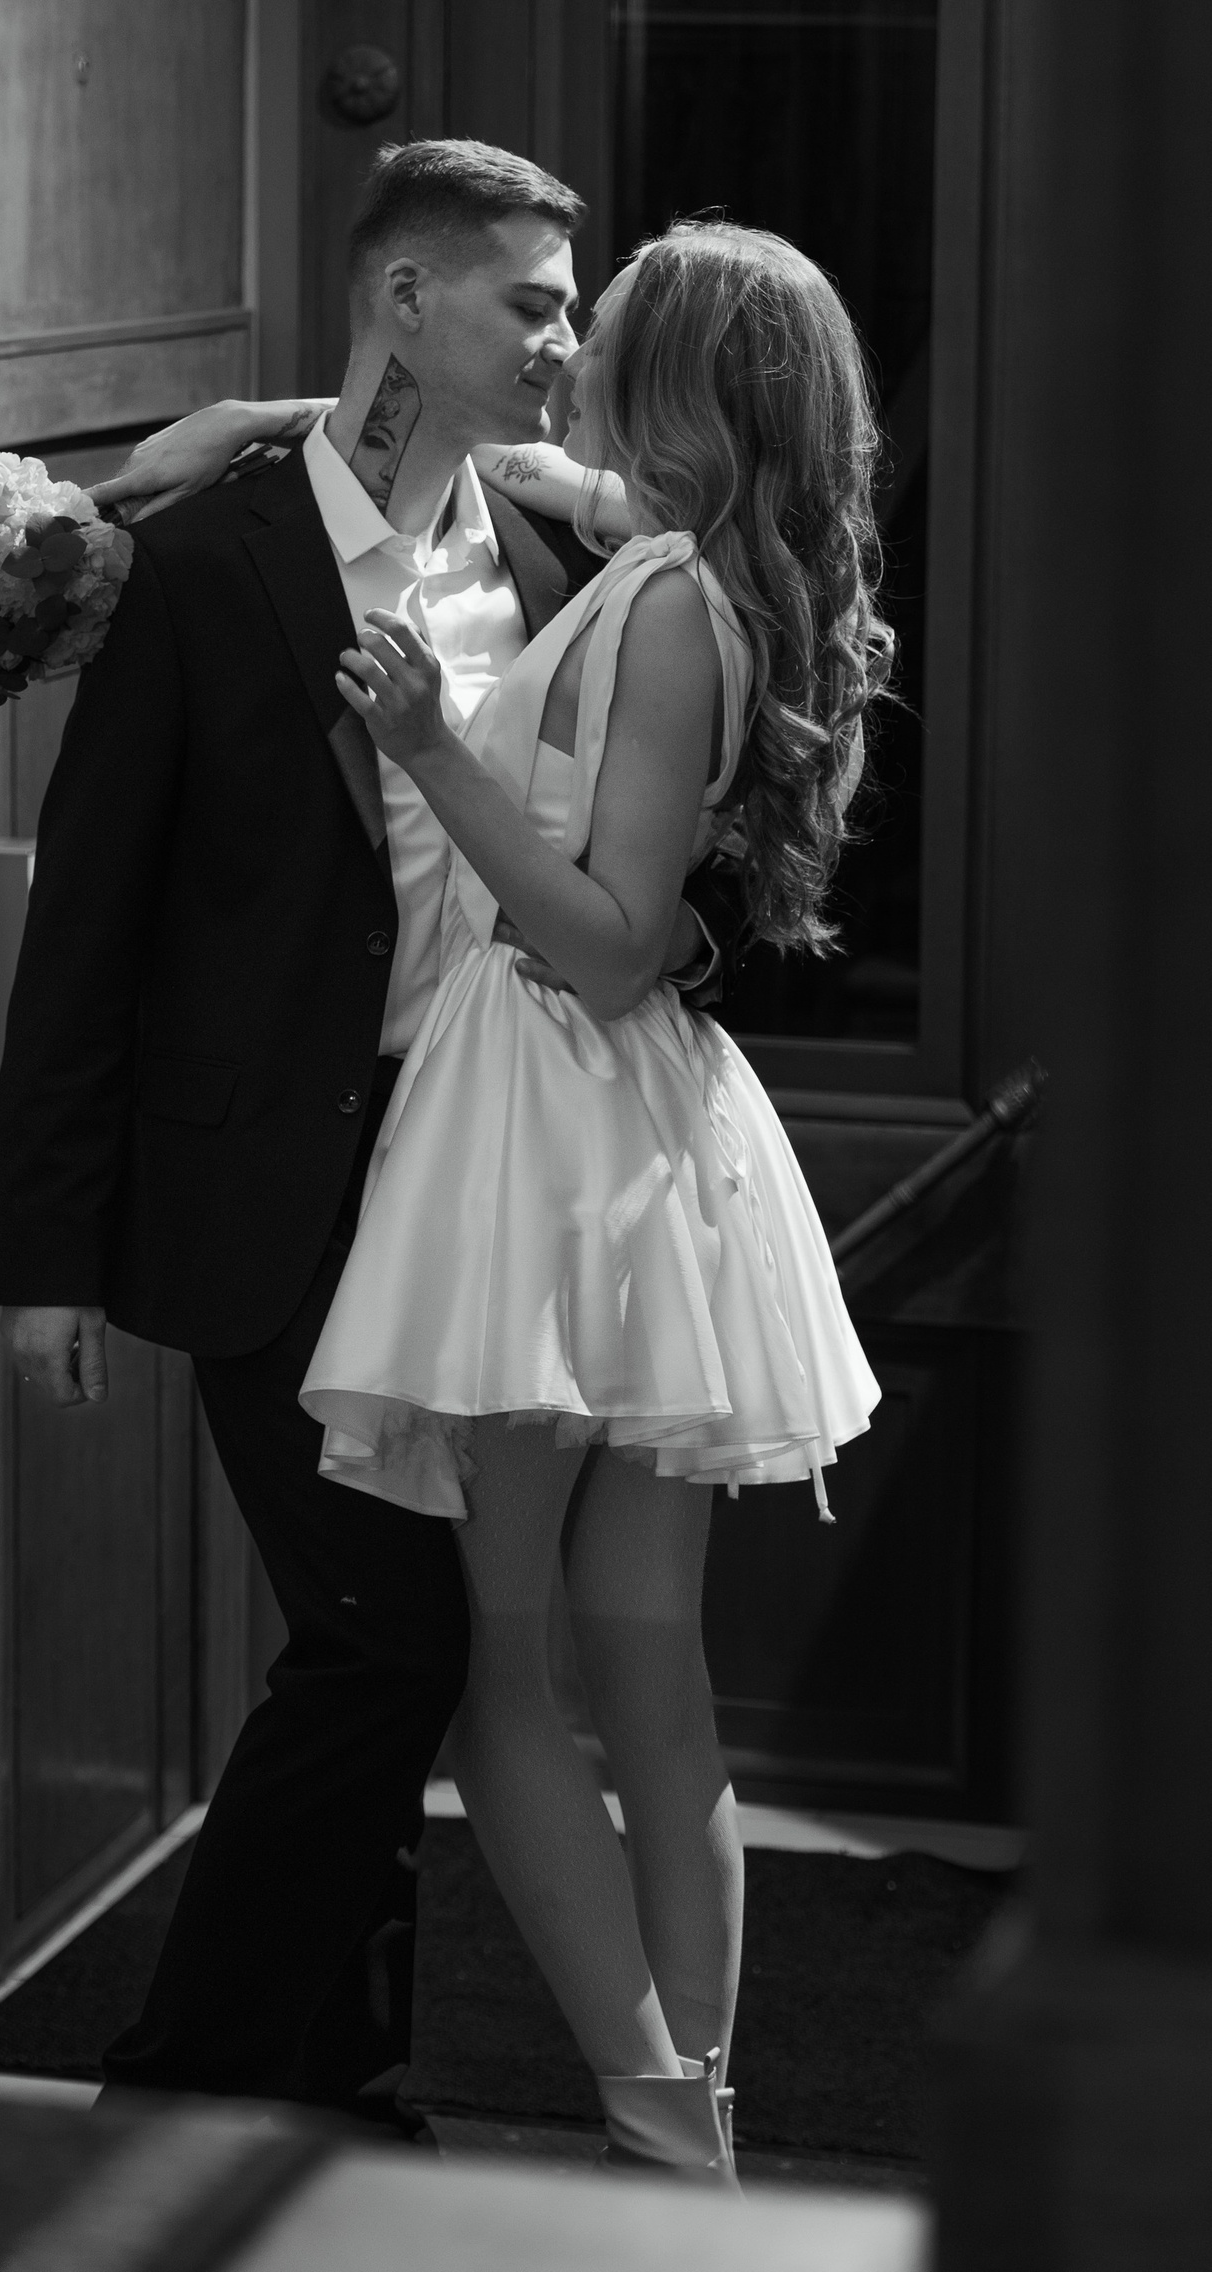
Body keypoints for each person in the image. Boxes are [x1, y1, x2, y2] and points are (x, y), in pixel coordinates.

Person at [0, 139, 731, 2124]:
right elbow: (88, 921)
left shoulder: (563, 559)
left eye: (571, 307)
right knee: (384, 1637)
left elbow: (631, 843)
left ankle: (340, 2076)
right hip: (272, 1192)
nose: (565, 340)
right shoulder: (207, 563)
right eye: (532, 303)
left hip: (490, 1189)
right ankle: (178, 2092)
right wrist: (48, 1258)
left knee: (431, 1649)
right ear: (406, 298)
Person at [295, 221, 891, 2178]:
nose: (572, 355)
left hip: (555, 1114)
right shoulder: (701, 564)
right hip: (635, 1134)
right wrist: (245, 430)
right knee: (647, 1663)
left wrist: (426, 749)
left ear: (679, 377)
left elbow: (615, 940)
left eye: (606, 327)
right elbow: (531, 463)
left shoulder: (665, 610)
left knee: (505, 1675)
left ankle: (658, 2124)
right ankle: (696, 2113)